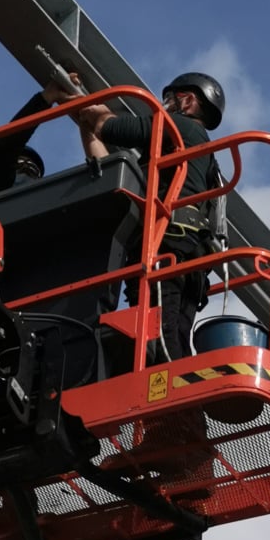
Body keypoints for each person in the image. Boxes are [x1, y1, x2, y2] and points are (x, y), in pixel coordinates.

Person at [73, 71, 226, 362]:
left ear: (187, 101)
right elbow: (109, 169)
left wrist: (87, 104)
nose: (163, 106)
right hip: (191, 255)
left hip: (167, 245)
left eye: (169, 100)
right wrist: (87, 125)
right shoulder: (197, 156)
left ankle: (167, 384)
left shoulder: (179, 127)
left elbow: (111, 128)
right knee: (174, 335)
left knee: (159, 333)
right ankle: (180, 386)